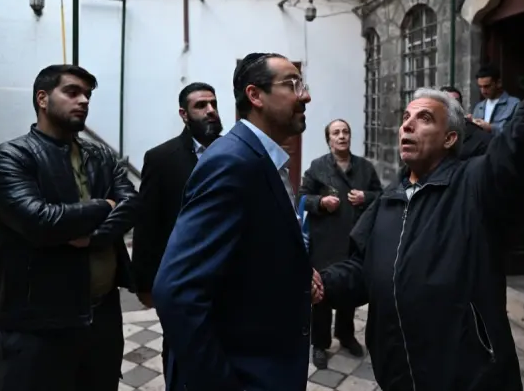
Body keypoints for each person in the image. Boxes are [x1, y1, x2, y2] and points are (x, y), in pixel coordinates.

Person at [316, 36, 524, 391]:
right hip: (398, 377)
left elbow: (514, 160)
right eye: (405, 118)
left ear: (450, 138)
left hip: (469, 380)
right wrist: (323, 283)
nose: (408, 125)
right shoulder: (388, 200)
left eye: (424, 118)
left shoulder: (474, 186)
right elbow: (363, 271)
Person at [152, 52, 316, 391]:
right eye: (292, 84)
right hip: (246, 373)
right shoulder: (232, 162)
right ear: (255, 95)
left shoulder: (260, 158)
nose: (305, 96)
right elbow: (177, 292)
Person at [0, 64, 138, 391]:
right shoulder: (11, 157)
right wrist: (105, 205)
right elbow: (39, 221)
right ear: (42, 98)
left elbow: (132, 204)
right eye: (72, 92)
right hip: (39, 325)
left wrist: (92, 237)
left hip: (102, 317)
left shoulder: (101, 156)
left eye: (87, 95)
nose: (83, 100)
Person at [132, 82, 222, 379]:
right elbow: (148, 223)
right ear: (184, 114)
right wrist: (145, 283)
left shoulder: (233, 151)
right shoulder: (162, 158)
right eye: (201, 105)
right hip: (183, 276)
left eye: (213, 104)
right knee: (182, 353)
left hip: (228, 275)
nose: (210, 110)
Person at [299, 118, 382, 368]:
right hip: (325, 241)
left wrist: (366, 197)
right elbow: (301, 198)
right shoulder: (318, 167)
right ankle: (320, 343)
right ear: (329, 140)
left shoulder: (365, 168)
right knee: (321, 293)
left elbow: (381, 197)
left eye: (345, 131)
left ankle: (346, 335)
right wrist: (321, 202)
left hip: (353, 242)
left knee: (349, 289)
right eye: (336, 133)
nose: (342, 136)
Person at [440, 86, 492, 159]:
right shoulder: (430, 133)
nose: (451, 107)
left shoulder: (481, 139)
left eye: (455, 102)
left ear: (461, 106)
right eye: (446, 103)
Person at [470, 64, 521, 133]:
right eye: (480, 87)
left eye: (487, 86)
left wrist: (491, 128)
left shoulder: (514, 104)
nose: (483, 91)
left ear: (498, 83)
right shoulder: (479, 107)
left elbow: (516, 131)